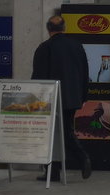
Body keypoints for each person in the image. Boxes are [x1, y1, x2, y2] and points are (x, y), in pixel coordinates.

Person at [31, 13, 92, 181]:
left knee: (51, 135)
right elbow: (85, 73)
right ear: (64, 28)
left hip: (51, 100)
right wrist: (83, 96)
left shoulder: (44, 48)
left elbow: (38, 77)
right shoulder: (77, 46)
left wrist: (36, 100)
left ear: (48, 29)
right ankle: (55, 171)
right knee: (64, 131)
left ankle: (81, 158)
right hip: (73, 99)